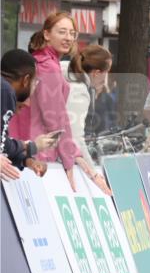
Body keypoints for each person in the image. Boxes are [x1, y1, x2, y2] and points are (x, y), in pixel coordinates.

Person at [8, 12, 110, 193]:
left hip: (22, 150)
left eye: (72, 33)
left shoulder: (42, 62)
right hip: (36, 155)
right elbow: (56, 119)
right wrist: (70, 159)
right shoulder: (49, 67)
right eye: (62, 32)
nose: (68, 38)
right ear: (47, 34)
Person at [1, 49, 57, 180]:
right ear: (26, 80)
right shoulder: (6, 90)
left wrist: (26, 161)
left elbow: (3, 144)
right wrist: (32, 146)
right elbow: (2, 145)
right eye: (34, 82)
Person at [63, 44, 112, 169]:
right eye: (107, 72)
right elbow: (76, 139)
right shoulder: (79, 91)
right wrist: (93, 172)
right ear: (96, 73)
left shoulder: (64, 70)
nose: (106, 77)